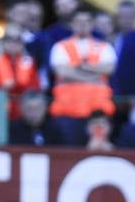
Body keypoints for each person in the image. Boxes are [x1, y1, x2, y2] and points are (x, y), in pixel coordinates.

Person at [49, 8, 117, 144]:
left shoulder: (105, 46)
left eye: (86, 21)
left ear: (92, 24)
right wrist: (93, 74)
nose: (83, 25)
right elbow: (62, 71)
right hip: (68, 112)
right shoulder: (60, 46)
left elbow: (109, 68)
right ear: (72, 24)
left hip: (98, 114)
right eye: (78, 21)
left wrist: (80, 68)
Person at [0, 24, 40, 132]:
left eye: (17, 40)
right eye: (8, 39)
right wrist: (14, 87)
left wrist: (13, 86)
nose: (13, 43)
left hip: (24, 114)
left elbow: (34, 87)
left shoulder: (29, 62)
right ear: (2, 42)